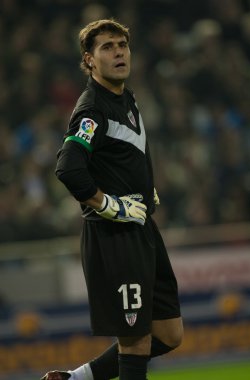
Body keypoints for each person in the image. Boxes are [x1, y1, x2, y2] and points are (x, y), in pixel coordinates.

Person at [41, 19, 183, 380]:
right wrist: (108, 204)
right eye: (107, 47)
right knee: (134, 341)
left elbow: (126, 151)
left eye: (122, 44)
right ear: (89, 60)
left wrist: (144, 185)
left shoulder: (126, 98)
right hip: (114, 236)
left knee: (168, 334)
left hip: (142, 229)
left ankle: (77, 379)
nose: (119, 51)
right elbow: (69, 168)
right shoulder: (92, 109)